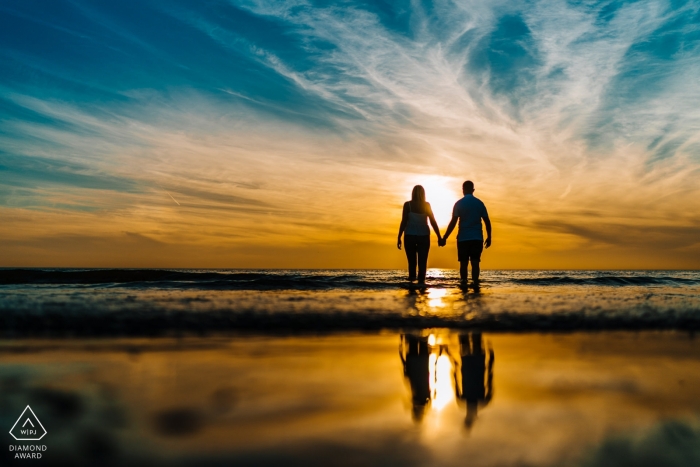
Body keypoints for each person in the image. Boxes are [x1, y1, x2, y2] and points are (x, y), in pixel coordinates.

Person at [439, 181, 491, 284]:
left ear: (463, 190)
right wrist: (489, 237)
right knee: (475, 263)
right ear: (473, 190)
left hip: (463, 239)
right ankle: (475, 284)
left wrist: (444, 237)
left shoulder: (459, 203)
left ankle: (463, 285)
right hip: (477, 238)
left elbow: (453, 222)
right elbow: (487, 222)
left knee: (463, 264)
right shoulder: (479, 203)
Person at [397, 185, 443, 284]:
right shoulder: (426, 205)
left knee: (412, 263)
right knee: (423, 263)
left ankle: (412, 286)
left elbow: (404, 221)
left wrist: (399, 237)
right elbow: (433, 221)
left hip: (410, 235)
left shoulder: (407, 205)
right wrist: (439, 236)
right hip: (424, 236)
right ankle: (422, 285)